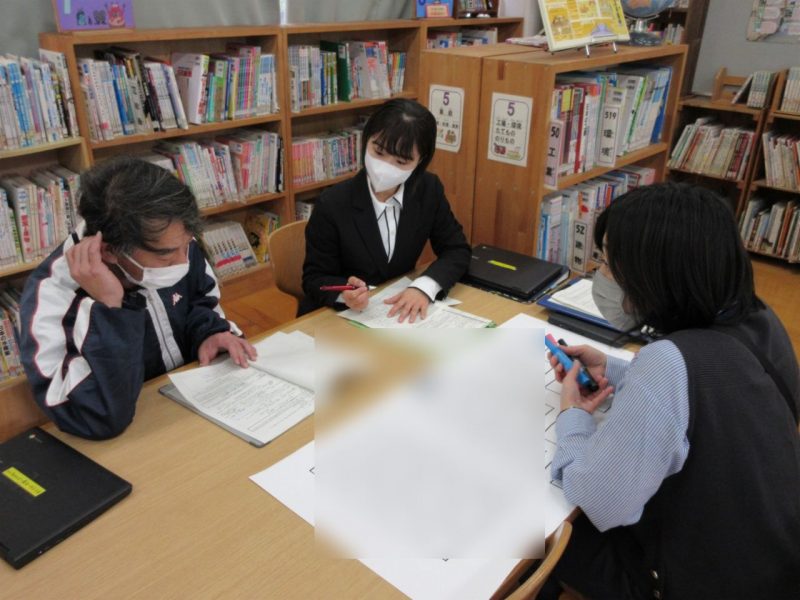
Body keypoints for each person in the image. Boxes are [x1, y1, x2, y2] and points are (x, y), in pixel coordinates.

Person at [544, 182, 800, 599]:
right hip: (773, 558)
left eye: (608, 262)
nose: (600, 274)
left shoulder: (667, 362)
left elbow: (600, 499)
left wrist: (572, 417)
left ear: (656, 273)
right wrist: (615, 369)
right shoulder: (759, 317)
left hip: (692, 580)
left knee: (540, 530)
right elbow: (707, 390)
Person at [19, 157, 256, 440]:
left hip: (187, 411)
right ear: (109, 251)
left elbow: (200, 300)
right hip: (129, 439)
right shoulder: (50, 299)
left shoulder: (172, 241)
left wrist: (209, 333)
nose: (185, 259)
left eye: (187, 244)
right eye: (167, 256)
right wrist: (110, 308)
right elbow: (95, 418)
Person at [300, 98, 470, 321]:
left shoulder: (428, 190)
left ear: (420, 161)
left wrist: (424, 287)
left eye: (401, 162)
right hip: (340, 316)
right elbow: (314, 279)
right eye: (379, 152)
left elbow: (456, 249)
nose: (385, 167)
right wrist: (344, 294)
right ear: (366, 140)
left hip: (395, 313)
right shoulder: (332, 203)